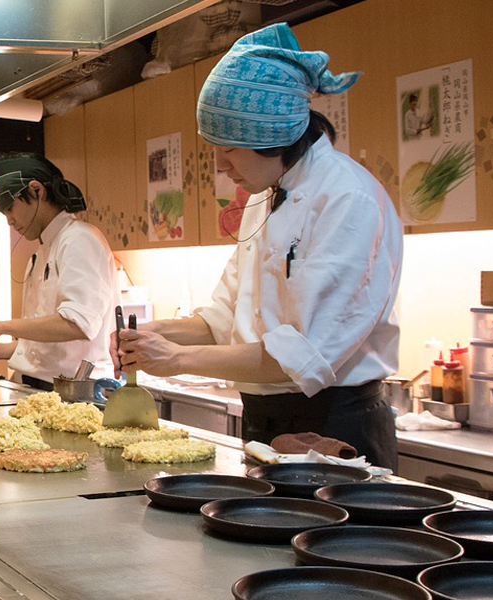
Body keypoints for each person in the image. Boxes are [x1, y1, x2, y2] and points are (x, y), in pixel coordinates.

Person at [111, 23, 403, 470]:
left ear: (275, 136)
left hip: (334, 425)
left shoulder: (347, 199)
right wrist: (155, 335)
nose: (220, 165)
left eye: (230, 149)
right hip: (265, 421)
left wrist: (177, 359)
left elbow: (300, 357)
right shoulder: (267, 194)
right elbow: (224, 319)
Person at [0, 152, 120, 389]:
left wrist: (2, 326)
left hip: (77, 392)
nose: (9, 221)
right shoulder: (42, 251)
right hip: (41, 387)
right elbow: (53, 343)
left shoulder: (80, 239)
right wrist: (0, 350)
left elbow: (77, 324)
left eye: (10, 209)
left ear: (37, 191)